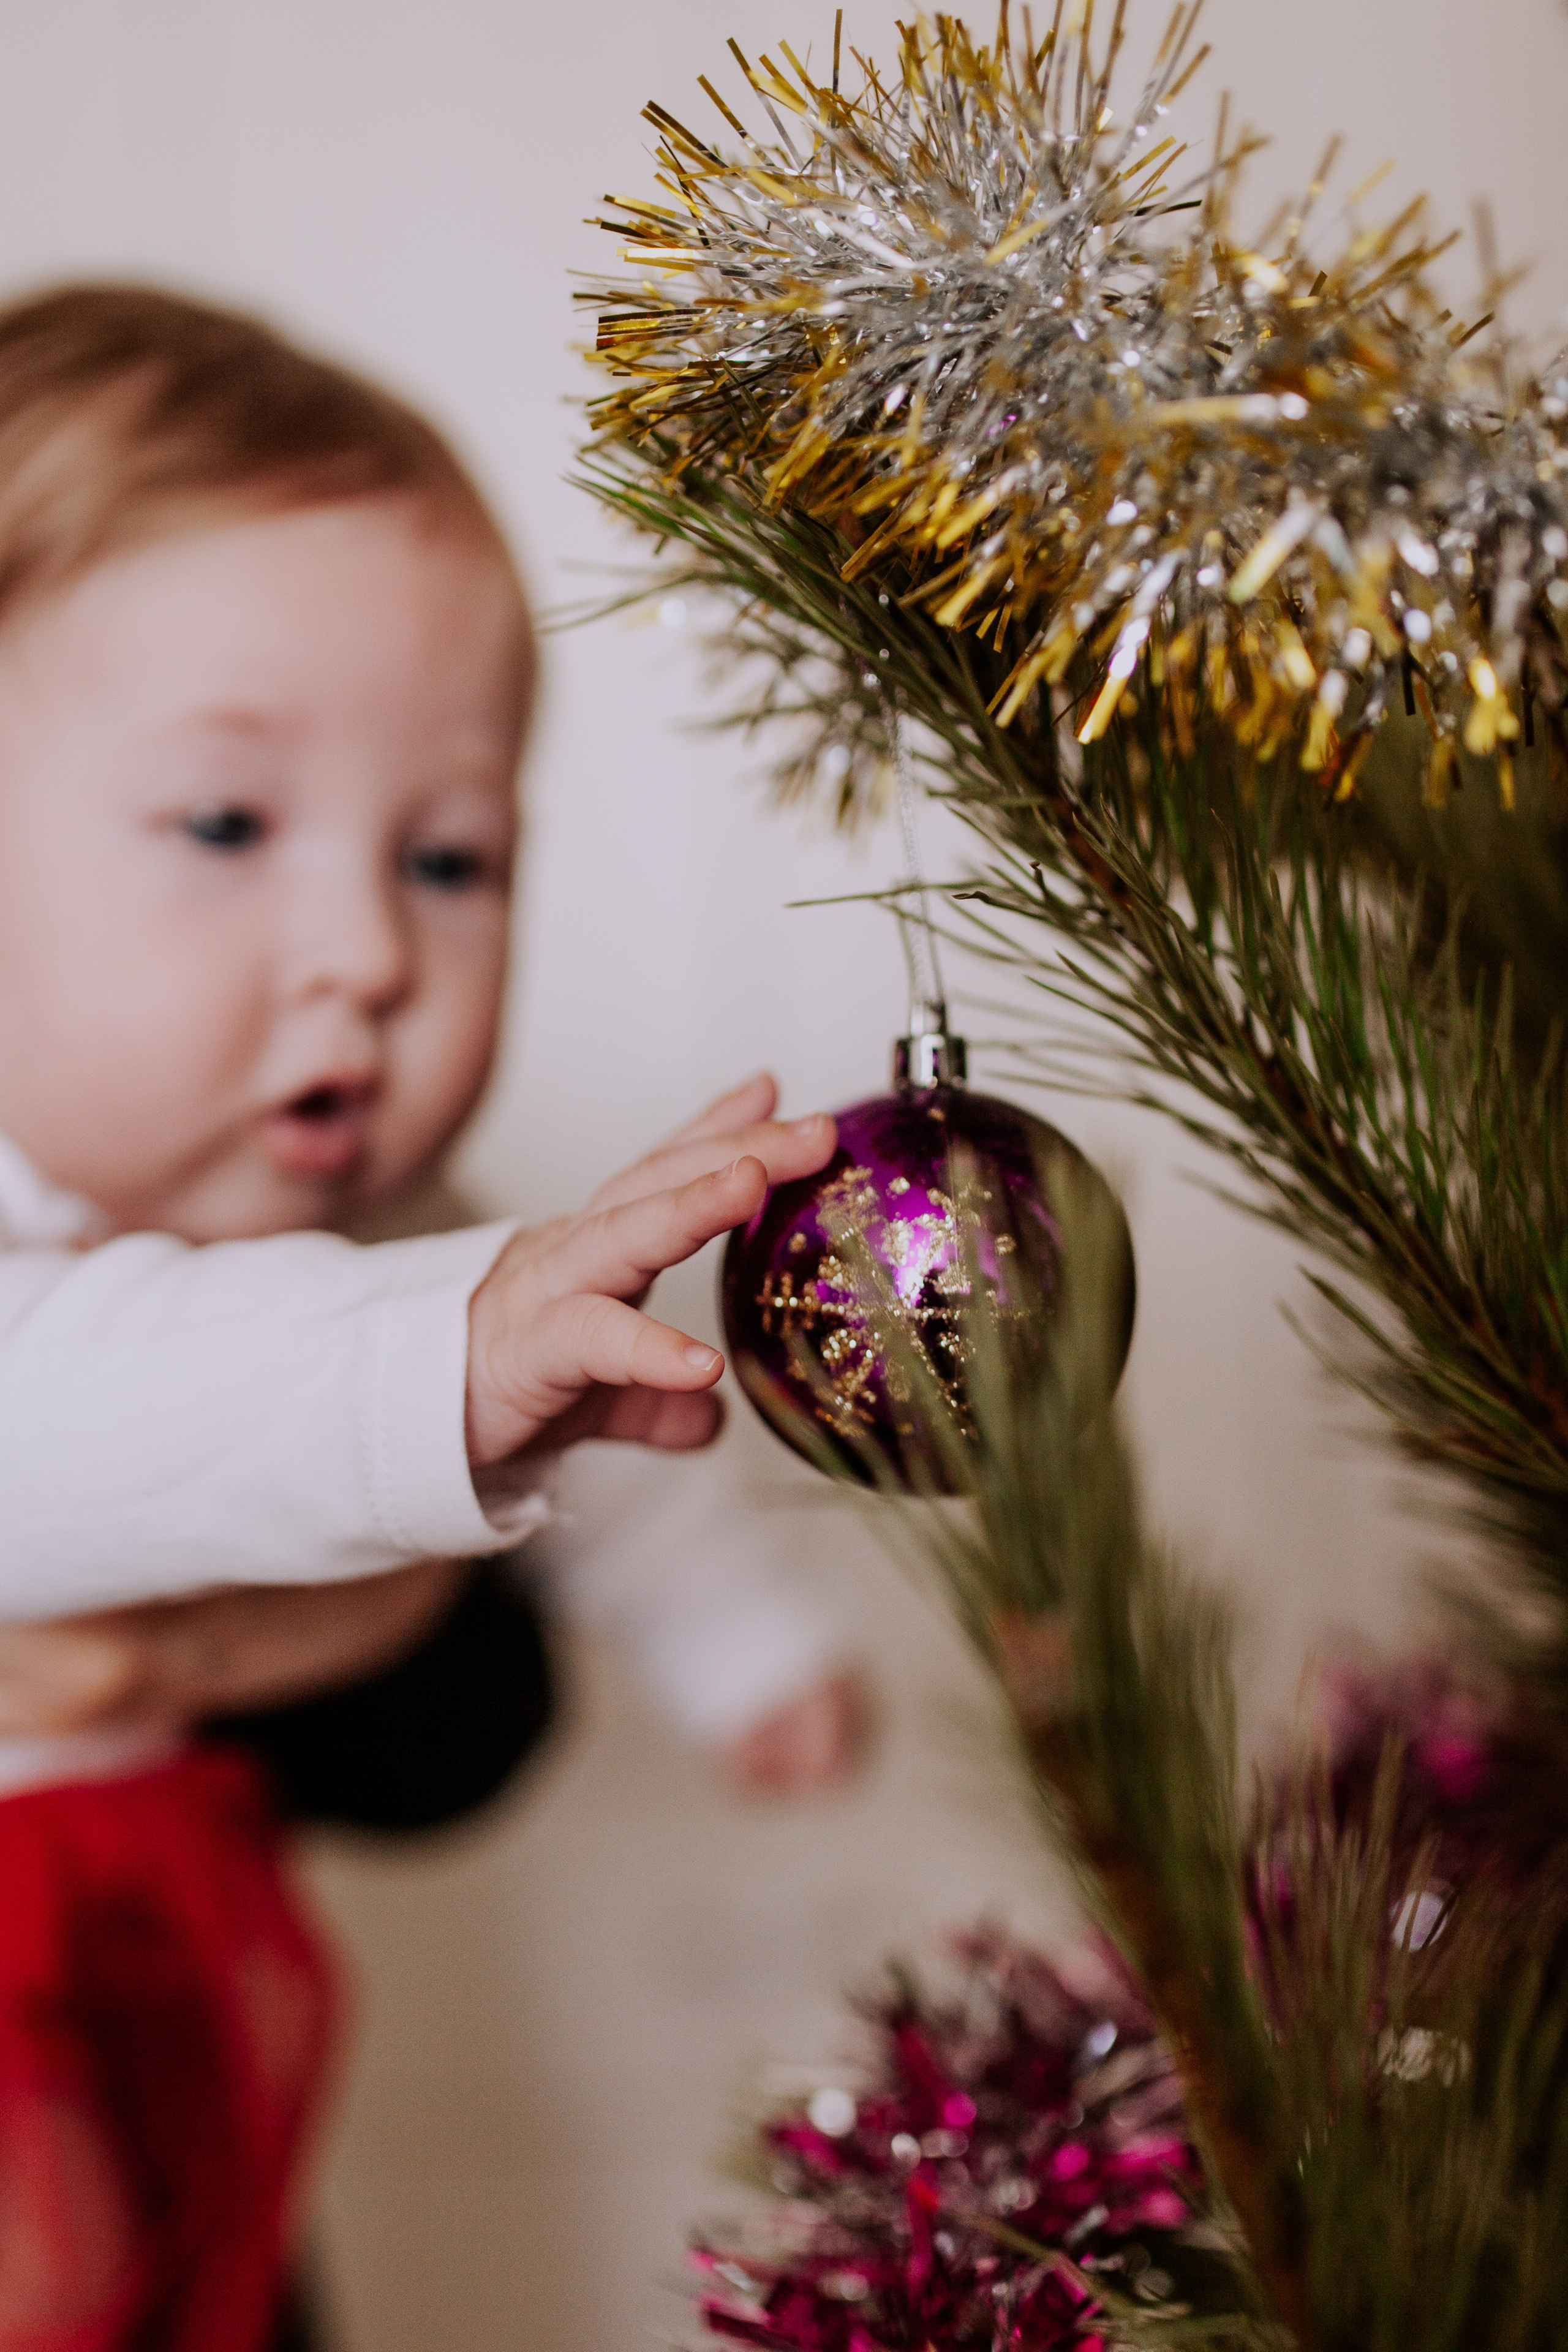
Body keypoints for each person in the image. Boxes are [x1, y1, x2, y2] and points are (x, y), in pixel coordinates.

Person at [0, 282, 845, 2352]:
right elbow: (56, 1424)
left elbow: (608, 1434)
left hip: (160, 1949)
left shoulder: (402, 1240)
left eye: (450, 856)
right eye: (224, 823)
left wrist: (740, 1645)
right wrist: (438, 1356)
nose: (367, 950)